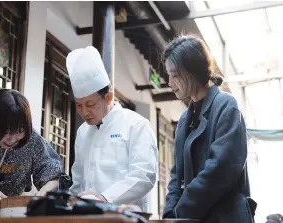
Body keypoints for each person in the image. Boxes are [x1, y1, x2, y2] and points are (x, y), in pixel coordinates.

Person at [162, 35, 254, 223]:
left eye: (175, 75)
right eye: (168, 75)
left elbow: (220, 169)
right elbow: (176, 174)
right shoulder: (184, 119)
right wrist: (170, 215)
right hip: (192, 217)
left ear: (192, 70)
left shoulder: (226, 106)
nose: (170, 83)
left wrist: (182, 211)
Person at [66, 46, 158, 212]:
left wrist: (105, 199)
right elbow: (78, 181)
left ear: (108, 97)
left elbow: (144, 175)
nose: (84, 112)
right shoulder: (82, 132)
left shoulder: (136, 125)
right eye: (79, 105)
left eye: (90, 104)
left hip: (124, 217)